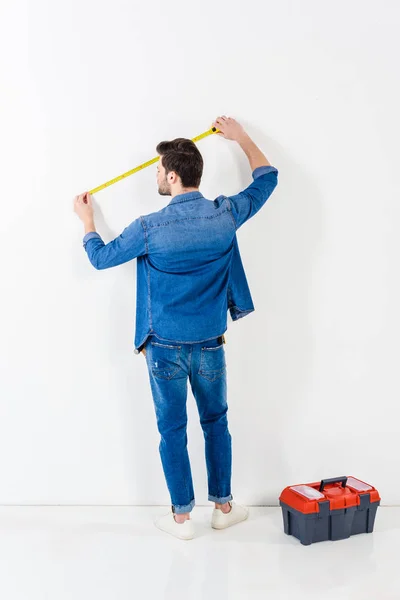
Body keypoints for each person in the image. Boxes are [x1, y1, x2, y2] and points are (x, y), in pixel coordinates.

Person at [74, 116, 279, 540]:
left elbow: (100, 258)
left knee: (172, 431)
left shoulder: (149, 228)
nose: (156, 179)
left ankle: (182, 519)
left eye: (157, 173)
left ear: (172, 175)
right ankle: (223, 507)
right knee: (216, 423)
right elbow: (267, 178)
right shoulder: (226, 214)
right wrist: (241, 137)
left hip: (163, 349)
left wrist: (87, 221)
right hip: (209, 346)